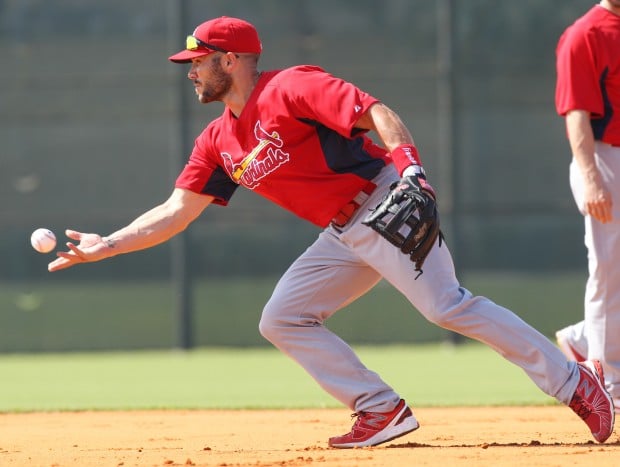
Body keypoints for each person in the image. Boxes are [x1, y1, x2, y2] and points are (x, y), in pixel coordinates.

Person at [48, 16, 615, 447]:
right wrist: (111, 244)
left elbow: (377, 113)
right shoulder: (217, 141)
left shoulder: (291, 87)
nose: (191, 71)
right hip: (342, 233)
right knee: (283, 318)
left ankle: (574, 382)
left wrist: (412, 169)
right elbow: (175, 210)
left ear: (232, 60)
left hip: (383, 200)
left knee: (446, 306)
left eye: (198, 61)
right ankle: (380, 407)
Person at [554, 0, 620, 414]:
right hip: (603, 157)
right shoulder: (586, 34)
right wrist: (592, 177)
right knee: (608, 269)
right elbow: (576, 113)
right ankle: (610, 382)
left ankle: (582, 338)